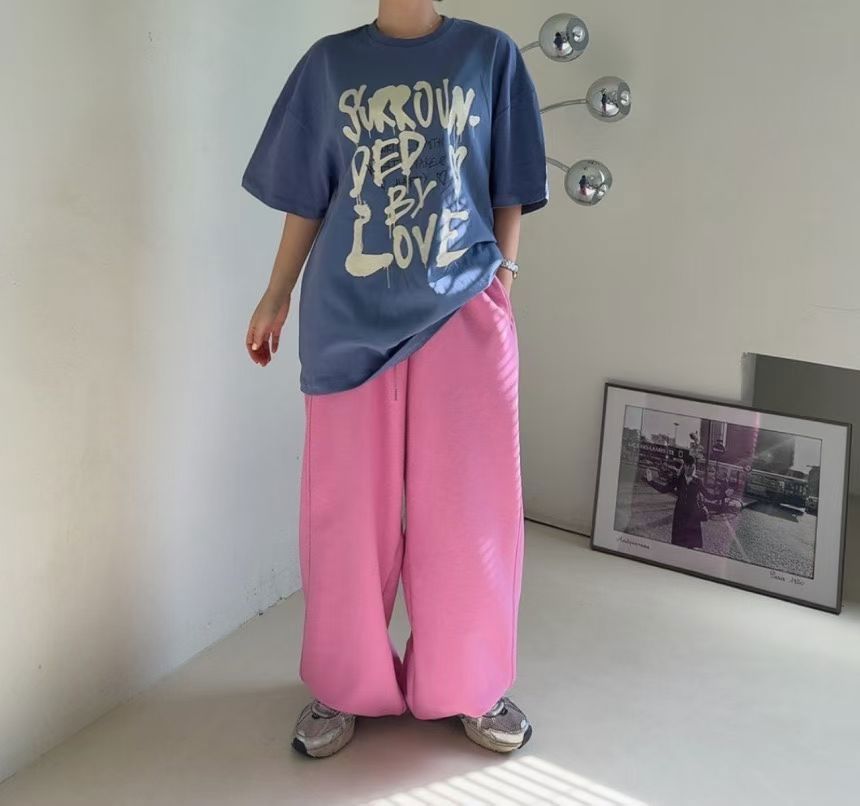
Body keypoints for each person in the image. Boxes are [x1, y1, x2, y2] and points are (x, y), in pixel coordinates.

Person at [241, 0, 549, 758]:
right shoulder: (329, 63)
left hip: (463, 311)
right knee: (346, 514)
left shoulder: (490, 54)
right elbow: (309, 194)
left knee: (471, 512)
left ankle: (471, 685)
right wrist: (277, 292)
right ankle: (343, 686)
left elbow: (511, 181)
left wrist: (503, 278)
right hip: (347, 317)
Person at [645, 455, 714, 549]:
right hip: (680, 514)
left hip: (693, 515)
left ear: (693, 467)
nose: (689, 468)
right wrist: (650, 481)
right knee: (678, 542)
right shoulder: (678, 479)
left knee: (691, 544)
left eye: (691, 466)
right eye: (687, 465)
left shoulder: (698, 481)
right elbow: (664, 489)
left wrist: (724, 495)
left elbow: (708, 495)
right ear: (684, 466)